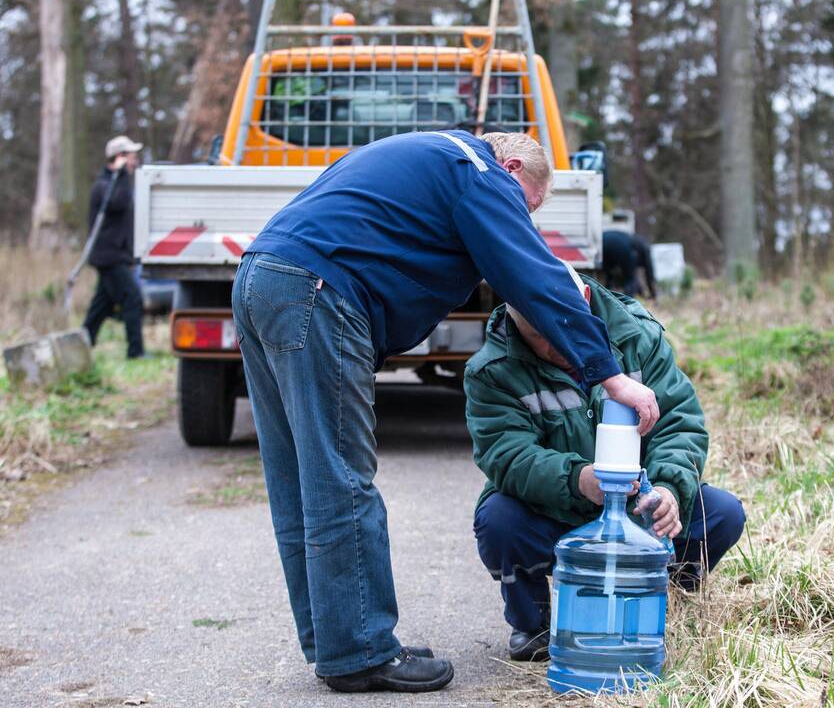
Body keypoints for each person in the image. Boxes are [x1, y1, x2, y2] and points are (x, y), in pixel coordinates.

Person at [231, 130, 660, 694]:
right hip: (318, 292)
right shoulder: (476, 172)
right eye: (526, 206)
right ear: (511, 168)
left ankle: (335, 641)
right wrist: (609, 374)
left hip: (262, 278)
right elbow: (534, 276)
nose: (521, 220)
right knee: (340, 478)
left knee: (298, 478)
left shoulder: (423, 155)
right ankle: (360, 651)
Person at [465, 266, 745, 662]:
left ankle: (663, 597)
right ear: (514, 318)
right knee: (499, 521)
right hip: (558, 511)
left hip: (637, 508)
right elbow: (507, 455)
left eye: (559, 329)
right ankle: (535, 624)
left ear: (583, 305)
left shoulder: (636, 336)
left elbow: (679, 422)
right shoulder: (492, 370)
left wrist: (667, 490)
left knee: (722, 514)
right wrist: (578, 479)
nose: (550, 346)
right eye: (536, 335)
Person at [82, 135, 145, 359]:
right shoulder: (104, 186)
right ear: (118, 158)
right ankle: (135, 352)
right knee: (133, 298)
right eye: (131, 157)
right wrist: (121, 175)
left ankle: (82, 344)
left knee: (101, 305)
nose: (135, 161)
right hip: (109, 257)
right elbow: (117, 203)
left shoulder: (115, 183)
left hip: (115, 256)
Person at [602, 230, 657, 298]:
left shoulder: (633, 239)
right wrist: (653, 294)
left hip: (601, 243)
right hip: (621, 247)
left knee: (609, 276)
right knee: (630, 279)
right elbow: (649, 270)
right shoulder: (642, 247)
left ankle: (605, 297)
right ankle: (628, 302)